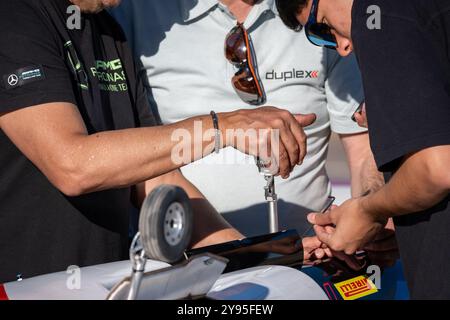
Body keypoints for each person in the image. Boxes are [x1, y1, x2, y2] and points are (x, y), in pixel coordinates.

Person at [0, 0, 318, 282]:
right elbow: (72, 166)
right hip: (25, 287)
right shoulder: (14, 15)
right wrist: (224, 127)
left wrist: (258, 259)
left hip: (104, 284)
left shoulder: (109, 31)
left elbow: (155, 179)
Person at [112, 0, 396, 265]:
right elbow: (130, 163)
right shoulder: (132, 11)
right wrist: (249, 252)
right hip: (181, 268)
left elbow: (364, 150)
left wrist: (371, 212)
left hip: (312, 265)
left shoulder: (313, 8)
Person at [276, 0, 450, 298]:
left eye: (324, 27)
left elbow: (437, 170)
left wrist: (369, 211)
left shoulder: (377, 14)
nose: (343, 46)